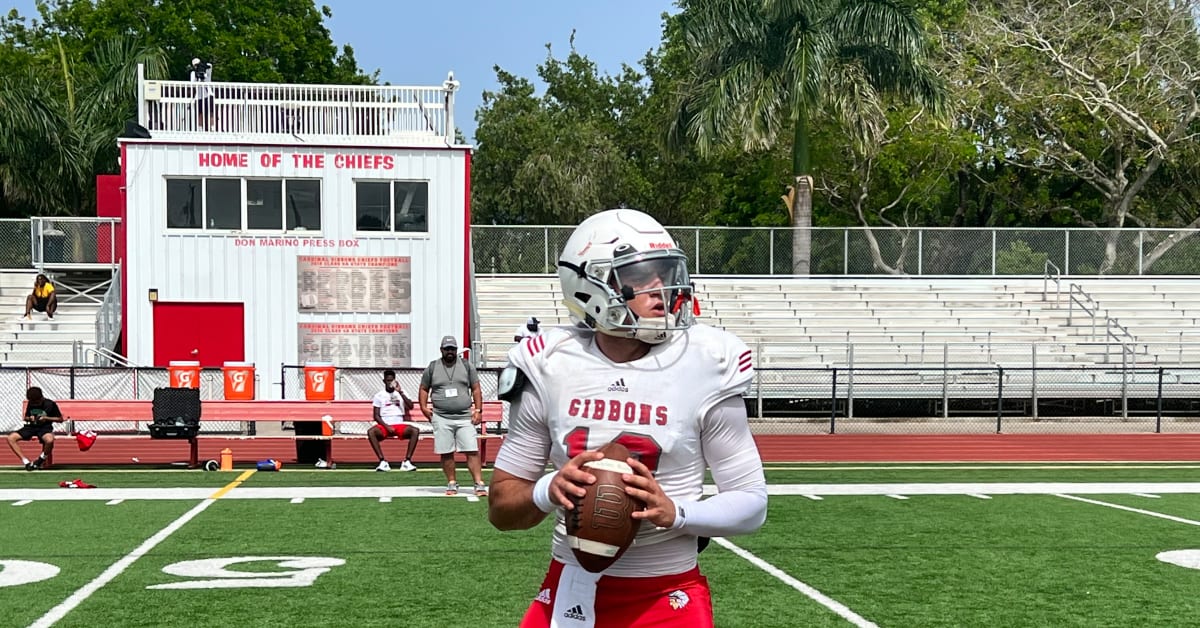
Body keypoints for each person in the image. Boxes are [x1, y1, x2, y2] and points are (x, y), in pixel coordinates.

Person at [486, 208, 768, 627]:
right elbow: (502, 508)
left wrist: (677, 512)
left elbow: (751, 503)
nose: (663, 288)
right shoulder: (550, 361)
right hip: (571, 587)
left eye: (667, 272)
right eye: (643, 276)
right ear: (590, 284)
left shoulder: (707, 361)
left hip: (666, 592)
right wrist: (551, 488)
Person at [419, 335, 487, 496]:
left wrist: (478, 410)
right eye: (447, 349)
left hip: (464, 417)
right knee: (446, 451)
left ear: (457, 350)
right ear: (441, 350)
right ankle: (451, 482)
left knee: (471, 449)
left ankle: (478, 483)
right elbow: (423, 389)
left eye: (453, 349)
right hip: (442, 417)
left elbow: (476, 389)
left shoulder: (466, 365)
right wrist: (423, 406)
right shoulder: (433, 367)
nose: (450, 352)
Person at [368, 369, 419, 472]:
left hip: (399, 423)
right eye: (388, 380)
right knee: (371, 432)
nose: (390, 383)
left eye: (392, 380)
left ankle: (407, 461)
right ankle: (382, 461)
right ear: (384, 381)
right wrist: (387, 426)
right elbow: (376, 416)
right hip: (385, 425)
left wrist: (401, 392)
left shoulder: (400, 393)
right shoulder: (379, 395)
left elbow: (410, 406)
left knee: (415, 431)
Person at [7, 387, 64, 471]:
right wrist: (30, 418)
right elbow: (25, 417)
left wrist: (46, 418)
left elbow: (60, 419)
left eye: (37, 402)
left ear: (41, 398)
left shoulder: (50, 404)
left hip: (45, 428)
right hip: (31, 427)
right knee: (11, 438)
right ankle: (26, 462)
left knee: (50, 440)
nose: (35, 404)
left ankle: (40, 460)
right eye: (33, 402)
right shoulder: (31, 403)